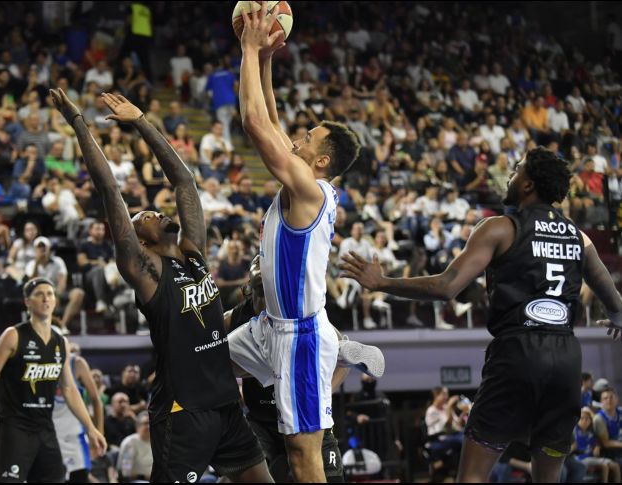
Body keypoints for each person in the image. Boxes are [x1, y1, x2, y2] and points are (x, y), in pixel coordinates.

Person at [339, 147, 622, 482]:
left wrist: (382, 282)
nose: (511, 176)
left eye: (516, 170)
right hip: (566, 360)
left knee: (472, 477)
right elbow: (615, 304)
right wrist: (615, 319)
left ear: (529, 184)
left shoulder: (500, 228)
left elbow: (446, 286)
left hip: (517, 353)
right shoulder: (579, 237)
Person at [49, 87, 271, 482]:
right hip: (183, 413)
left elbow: (184, 181)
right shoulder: (145, 271)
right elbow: (109, 190)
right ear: (142, 241)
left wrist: (141, 123)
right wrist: (79, 122)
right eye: (145, 216)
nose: (155, 211)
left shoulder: (193, 251)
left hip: (225, 406)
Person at [230, 7, 384, 482]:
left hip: (298, 336)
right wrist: (268, 59)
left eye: (307, 137)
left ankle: (334, 351)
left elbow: (256, 123)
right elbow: (271, 117)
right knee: (199, 359)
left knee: (303, 458)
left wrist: (249, 49)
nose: (295, 137)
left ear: (320, 160)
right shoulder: (306, 181)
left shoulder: (308, 190)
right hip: (270, 325)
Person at [0, 278, 107, 482]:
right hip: (15, 426)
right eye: (39, 294)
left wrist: (91, 428)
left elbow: (69, 389)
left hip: (45, 427)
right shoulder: (13, 335)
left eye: (50, 294)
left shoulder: (61, 343)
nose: (46, 298)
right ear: (27, 302)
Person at [224, 256, 346, 483]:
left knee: (330, 477)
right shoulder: (232, 319)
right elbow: (213, 364)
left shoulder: (297, 310)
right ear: (248, 279)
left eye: (268, 262)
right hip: (261, 421)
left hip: (304, 415)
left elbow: (342, 355)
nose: (263, 266)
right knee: (238, 475)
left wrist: (324, 391)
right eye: (257, 262)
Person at [52, 343, 105, 483]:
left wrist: (98, 432)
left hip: (75, 437)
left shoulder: (76, 363)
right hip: (48, 436)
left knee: (80, 478)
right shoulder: (37, 363)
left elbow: (96, 400)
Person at [118, 412, 153, 482]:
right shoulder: (129, 443)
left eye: (150, 423)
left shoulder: (156, 442)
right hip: (137, 480)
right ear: (137, 426)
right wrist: (143, 476)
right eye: (145, 423)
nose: (149, 426)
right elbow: (125, 472)